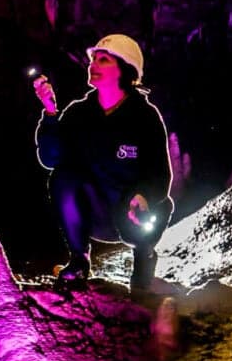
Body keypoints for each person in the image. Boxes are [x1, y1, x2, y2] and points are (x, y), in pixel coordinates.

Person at [33, 33, 173, 295]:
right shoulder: (79, 113)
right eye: (94, 59)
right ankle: (79, 259)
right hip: (96, 211)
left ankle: (144, 258)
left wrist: (144, 195)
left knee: (160, 206)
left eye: (104, 60)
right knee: (62, 177)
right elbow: (50, 159)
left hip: (131, 212)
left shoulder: (144, 117)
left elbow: (160, 174)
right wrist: (50, 113)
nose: (93, 65)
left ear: (125, 69)